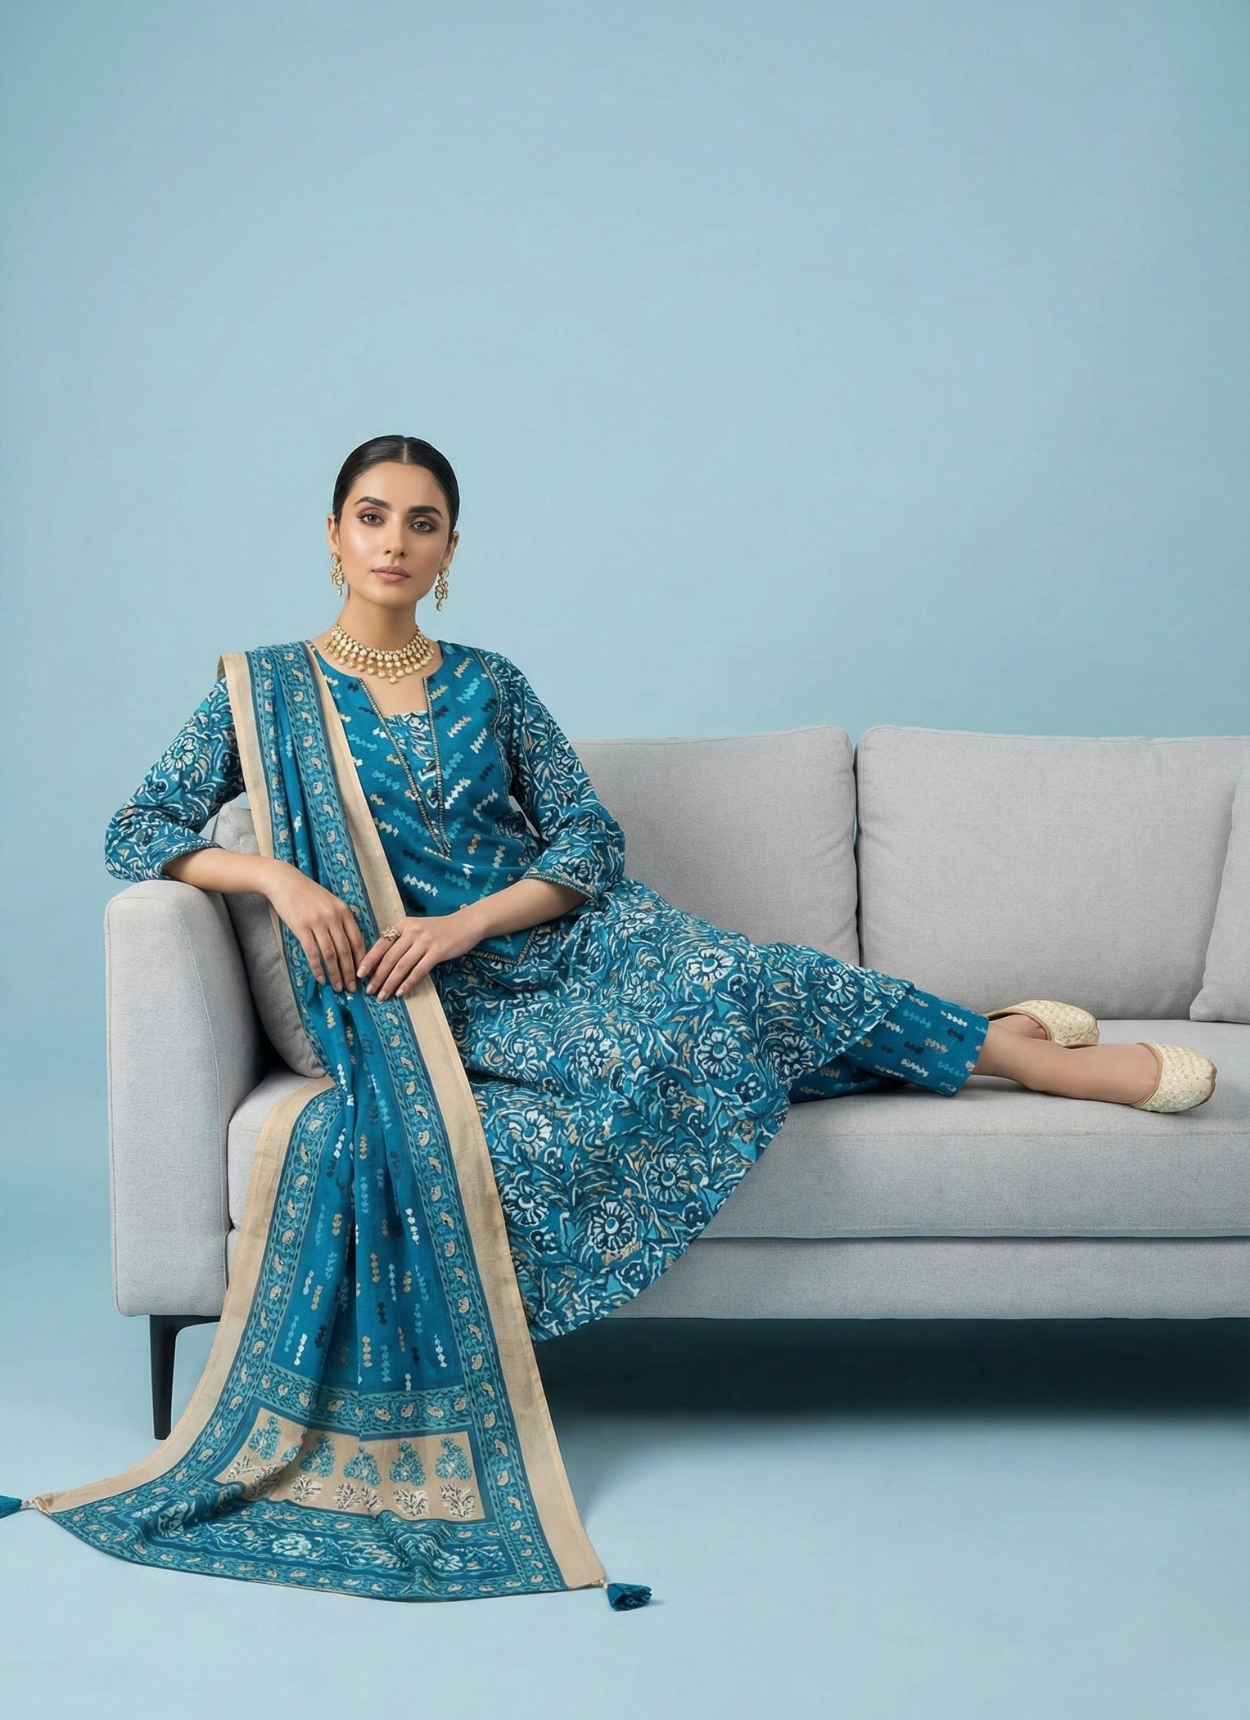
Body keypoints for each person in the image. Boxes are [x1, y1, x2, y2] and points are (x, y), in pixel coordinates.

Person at [18, 436, 1216, 1606]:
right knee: (669, 1050)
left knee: (751, 982)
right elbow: (140, 827)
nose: (394, 540)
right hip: (435, 1002)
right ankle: (993, 1032)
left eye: (420, 522)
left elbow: (588, 840)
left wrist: (472, 918)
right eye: (372, 515)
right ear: (331, 535)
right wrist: (279, 880)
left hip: (554, 939)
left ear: (450, 551)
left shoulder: (491, 681)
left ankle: (1014, 1052)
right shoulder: (261, 688)